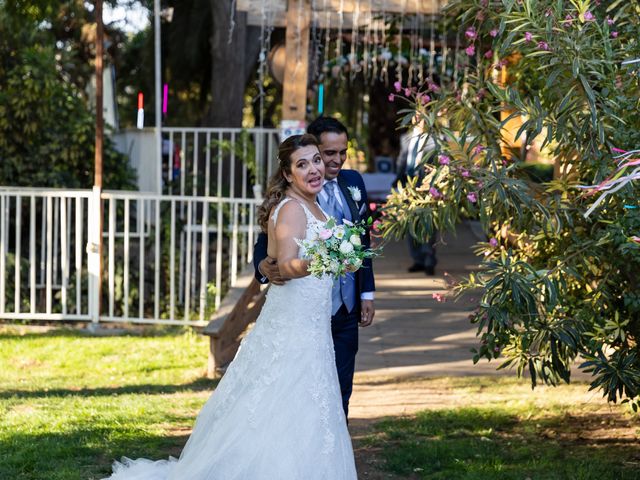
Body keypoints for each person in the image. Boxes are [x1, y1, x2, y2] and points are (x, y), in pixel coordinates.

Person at [103, 134, 358, 479]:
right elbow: (285, 265)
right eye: (303, 164)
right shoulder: (293, 209)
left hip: (310, 326)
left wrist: (342, 259)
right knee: (279, 399)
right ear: (287, 174)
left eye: (315, 160)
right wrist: (327, 259)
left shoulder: (312, 205)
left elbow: (272, 258)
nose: (313, 169)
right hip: (293, 327)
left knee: (298, 403)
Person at [253, 117, 376, 419]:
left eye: (339, 154)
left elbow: (361, 239)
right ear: (289, 172)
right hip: (302, 309)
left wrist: (366, 292)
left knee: (337, 388)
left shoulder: (351, 184)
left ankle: (332, 445)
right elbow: (272, 242)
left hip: (344, 305)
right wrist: (263, 266)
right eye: (328, 153)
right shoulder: (295, 199)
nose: (332, 162)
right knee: (293, 390)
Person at [396, 117, 438, 275]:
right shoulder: (406, 138)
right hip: (408, 186)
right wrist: (397, 181)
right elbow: (402, 160)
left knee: (428, 224)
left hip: (427, 188)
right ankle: (417, 259)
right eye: (416, 118)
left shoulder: (434, 139)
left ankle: (429, 259)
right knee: (411, 223)